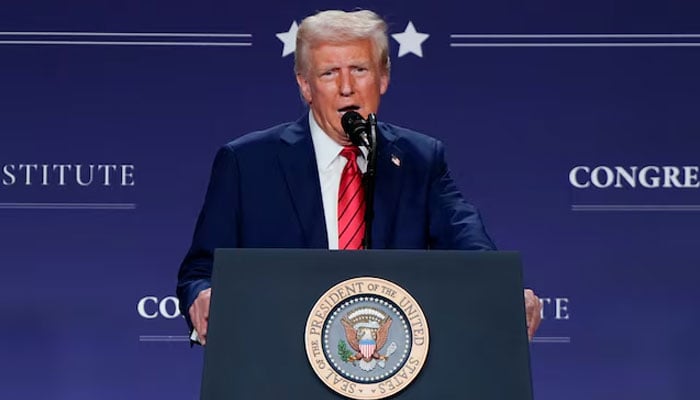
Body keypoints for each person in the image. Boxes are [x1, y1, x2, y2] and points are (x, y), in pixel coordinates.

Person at [177, 9, 542, 345]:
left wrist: (503, 290)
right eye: (329, 73)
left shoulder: (419, 158)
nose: (346, 87)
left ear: (383, 78)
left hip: (391, 363)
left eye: (360, 69)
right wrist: (202, 295)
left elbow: (469, 242)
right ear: (305, 86)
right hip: (279, 359)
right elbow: (200, 270)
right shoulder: (247, 162)